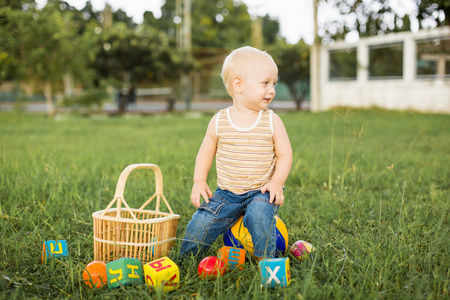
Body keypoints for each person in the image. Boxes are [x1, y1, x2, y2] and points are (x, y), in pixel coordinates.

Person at [179, 46, 292, 261]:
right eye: (265, 83)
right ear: (238, 85)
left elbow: (285, 154)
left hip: (261, 191)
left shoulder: (271, 120)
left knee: (259, 215)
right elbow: (205, 151)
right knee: (201, 221)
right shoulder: (219, 121)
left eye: (273, 84)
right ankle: (185, 260)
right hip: (226, 194)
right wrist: (199, 180)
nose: (272, 90)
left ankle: (267, 262)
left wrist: (277, 182)